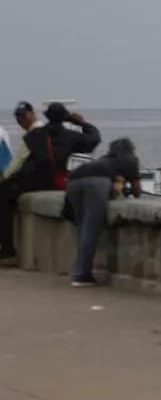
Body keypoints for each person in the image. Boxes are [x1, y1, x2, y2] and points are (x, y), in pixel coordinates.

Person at [0, 102, 100, 266]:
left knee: (4, 196)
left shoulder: (35, 135)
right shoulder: (70, 136)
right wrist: (81, 123)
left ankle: (8, 251)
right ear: (65, 117)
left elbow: (17, 163)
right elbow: (94, 139)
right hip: (53, 181)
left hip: (29, 181)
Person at [65, 138, 143, 287]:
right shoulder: (130, 160)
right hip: (97, 182)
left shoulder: (103, 159)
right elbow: (137, 191)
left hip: (74, 180)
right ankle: (81, 275)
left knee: (82, 226)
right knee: (91, 228)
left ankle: (80, 270)